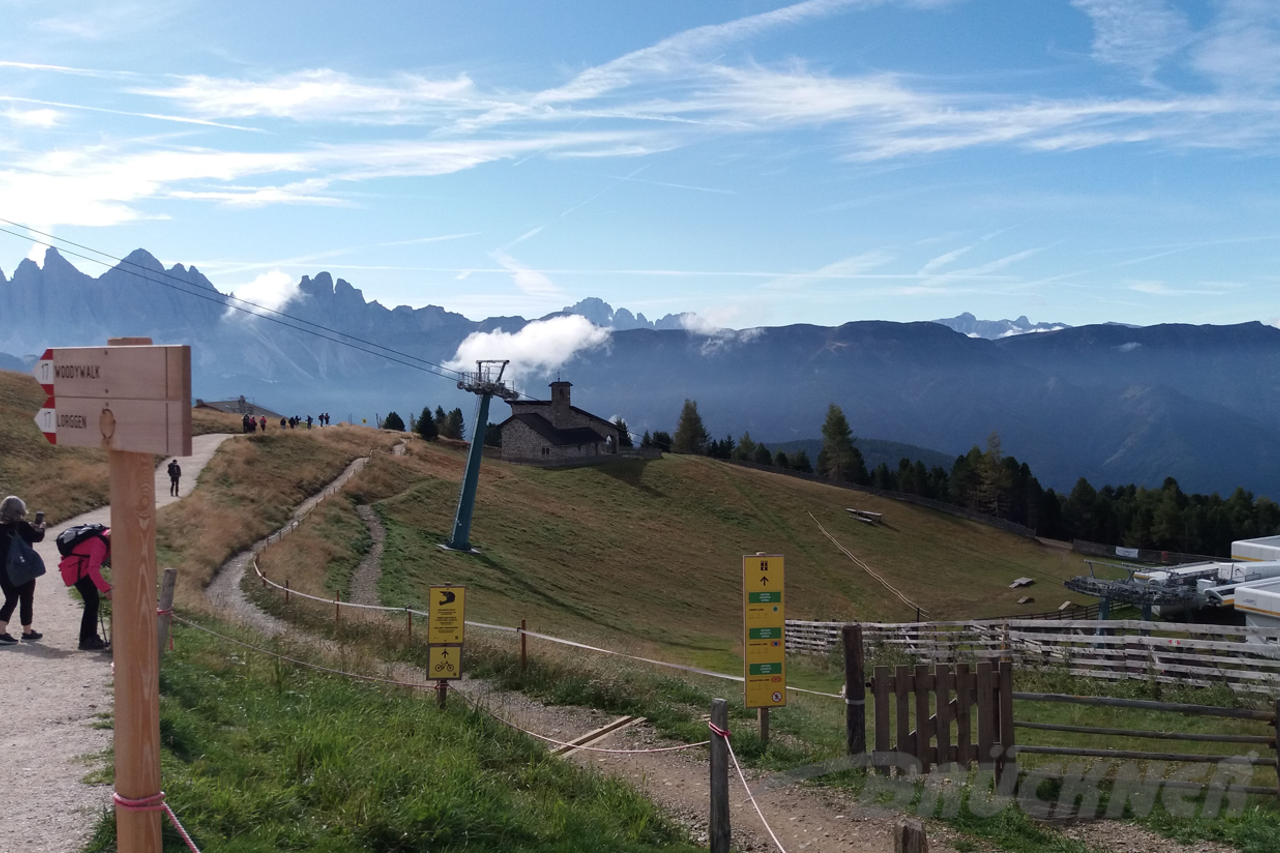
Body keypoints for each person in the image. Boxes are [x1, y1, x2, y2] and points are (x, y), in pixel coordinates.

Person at [0, 496, 45, 645]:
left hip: (4, 570)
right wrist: (40, 528)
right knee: (26, 598)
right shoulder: (23, 526)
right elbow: (37, 538)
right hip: (23, 568)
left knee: (11, 599)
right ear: (20, 510)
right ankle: (27, 631)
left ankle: (1, 630)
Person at [59, 527, 112, 651]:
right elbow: (93, 569)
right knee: (92, 601)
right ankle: (86, 639)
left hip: (80, 568)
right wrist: (106, 590)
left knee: (92, 601)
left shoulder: (106, 537)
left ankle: (90, 637)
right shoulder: (100, 543)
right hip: (76, 570)